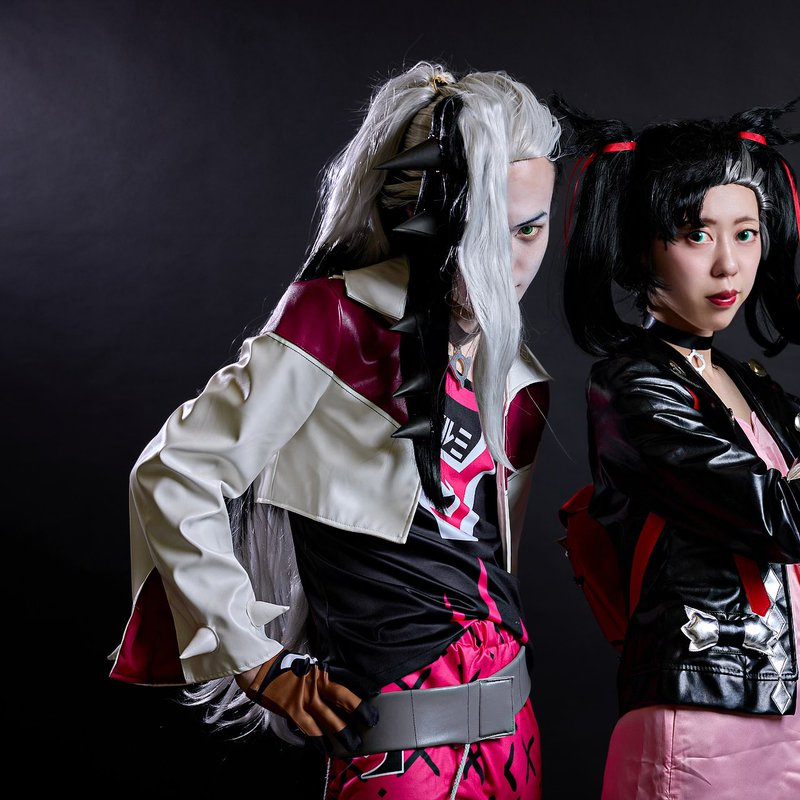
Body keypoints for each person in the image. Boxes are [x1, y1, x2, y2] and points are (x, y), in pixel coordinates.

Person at [108, 61, 561, 800]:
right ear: (427, 216)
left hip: (516, 740)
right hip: (400, 753)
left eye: (530, 229)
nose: (508, 263)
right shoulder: (337, 320)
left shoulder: (516, 376)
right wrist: (257, 661)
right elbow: (174, 473)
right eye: (482, 229)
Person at [554, 94, 800, 798]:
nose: (728, 266)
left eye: (746, 233)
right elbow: (787, 523)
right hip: (708, 710)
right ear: (643, 247)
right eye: (695, 235)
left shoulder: (744, 381)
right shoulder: (633, 386)